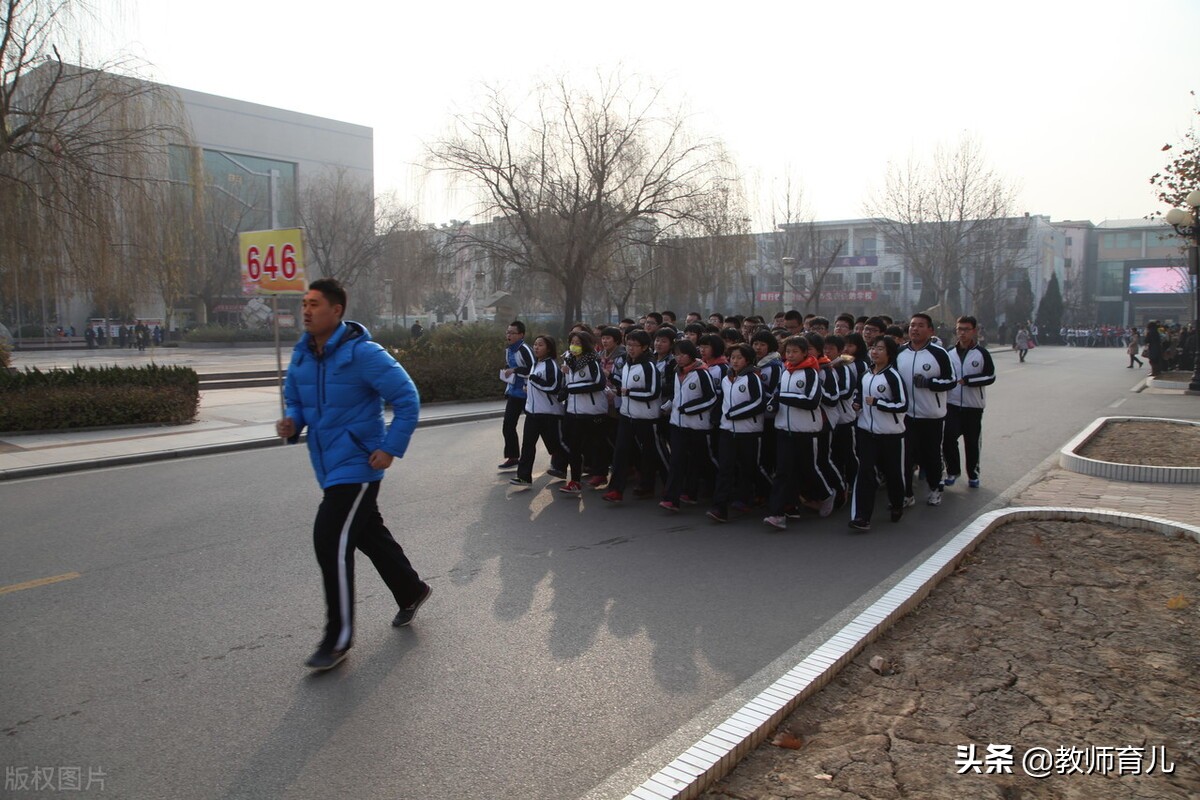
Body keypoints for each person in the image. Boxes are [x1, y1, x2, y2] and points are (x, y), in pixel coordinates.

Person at [276, 278, 429, 671]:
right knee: (367, 533)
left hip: (360, 465)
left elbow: (407, 398)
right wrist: (293, 421)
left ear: (337, 310)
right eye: (304, 304)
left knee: (330, 539)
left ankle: (338, 637)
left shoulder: (365, 354)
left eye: (314, 304)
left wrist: (391, 448)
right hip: (327, 464)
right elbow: (294, 396)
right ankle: (411, 590)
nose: (306, 311)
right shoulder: (302, 354)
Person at [762, 335, 836, 530]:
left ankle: (827, 494)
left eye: (795, 352)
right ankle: (778, 513)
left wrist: (783, 398)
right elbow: (777, 394)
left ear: (805, 353)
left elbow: (811, 401)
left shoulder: (812, 373)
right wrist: (772, 405)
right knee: (783, 471)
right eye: (788, 352)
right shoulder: (785, 371)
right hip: (784, 429)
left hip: (806, 430)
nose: (791, 355)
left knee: (808, 468)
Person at [848, 336, 908, 531]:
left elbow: (902, 404)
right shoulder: (866, 374)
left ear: (889, 353)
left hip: (890, 434)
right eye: (872, 348)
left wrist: (878, 403)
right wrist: (857, 403)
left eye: (880, 349)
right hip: (867, 432)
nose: (874, 352)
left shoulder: (893, 376)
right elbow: (858, 393)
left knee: (893, 474)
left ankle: (898, 503)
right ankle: (862, 517)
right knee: (865, 472)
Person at [896, 313, 957, 507]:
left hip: (931, 416)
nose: (915, 329)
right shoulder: (900, 352)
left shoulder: (939, 354)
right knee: (905, 457)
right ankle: (907, 494)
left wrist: (930, 383)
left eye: (920, 325)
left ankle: (934, 489)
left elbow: (951, 380)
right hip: (905, 416)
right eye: (912, 325)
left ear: (930, 330)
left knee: (930, 455)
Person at [943, 316, 995, 490]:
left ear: (974, 331)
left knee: (971, 443)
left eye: (966, 329)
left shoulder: (982, 354)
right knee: (948, 438)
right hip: (952, 404)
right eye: (959, 329)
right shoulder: (949, 353)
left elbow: (990, 376)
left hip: (973, 407)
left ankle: (973, 473)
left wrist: (969, 380)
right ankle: (953, 471)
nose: (962, 333)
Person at [510, 335, 565, 487]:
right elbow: (536, 383)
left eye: (540, 345)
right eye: (535, 344)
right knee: (527, 445)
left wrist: (534, 381)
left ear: (549, 348)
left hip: (549, 413)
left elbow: (554, 387)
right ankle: (524, 477)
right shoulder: (536, 364)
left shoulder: (551, 365)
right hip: (532, 413)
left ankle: (564, 466)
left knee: (555, 445)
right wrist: (529, 388)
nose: (536, 347)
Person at [560, 330, 607, 496]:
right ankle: (574, 481)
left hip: (593, 412)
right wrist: (564, 391)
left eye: (578, 343)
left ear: (586, 345)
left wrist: (571, 389)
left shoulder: (592, 361)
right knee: (574, 447)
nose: (574, 346)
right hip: (574, 411)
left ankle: (600, 473)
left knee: (596, 445)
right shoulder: (569, 362)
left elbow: (598, 383)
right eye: (572, 342)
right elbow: (568, 385)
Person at [498, 321, 535, 470]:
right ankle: (513, 457)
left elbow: (532, 369)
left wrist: (514, 370)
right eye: (507, 332)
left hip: (528, 393)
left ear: (521, 335)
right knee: (508, 425)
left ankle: (556, 455)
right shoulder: (509, 350)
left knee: (539, 427)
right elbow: (511, 366)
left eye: (512, 333)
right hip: (514, 392)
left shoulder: (525, 349)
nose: (509, 335)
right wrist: (507, 370)